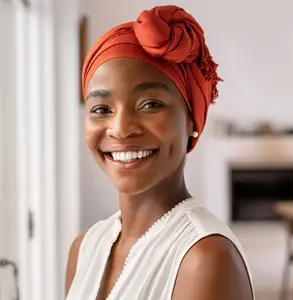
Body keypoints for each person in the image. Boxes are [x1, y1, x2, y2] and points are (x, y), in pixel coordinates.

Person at [65, 5, 254, 300]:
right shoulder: (84, 247)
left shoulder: (205, 258)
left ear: (192, 118)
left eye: (150, 104)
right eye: (101, 109)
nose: (121, 129)